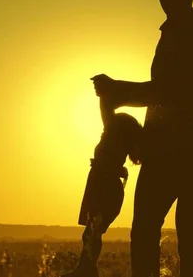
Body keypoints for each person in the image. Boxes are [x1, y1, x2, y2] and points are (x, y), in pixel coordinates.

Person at [91, 0, 193, 277]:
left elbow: (168, 92)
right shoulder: (177, 33)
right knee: (169, 236)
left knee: (169, 237)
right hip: (181, 154)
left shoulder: (191, 35)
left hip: (185, 156)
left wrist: (118, 90)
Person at [62, 95, 143, 277]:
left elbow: (106, 110)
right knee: (92, 233)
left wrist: (106, 92)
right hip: (101, 185)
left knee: (92, 232)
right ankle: (87, 269)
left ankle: (86, 270)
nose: (103, 131)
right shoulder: (113, 142)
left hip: (104, 188)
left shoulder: (112, 144)